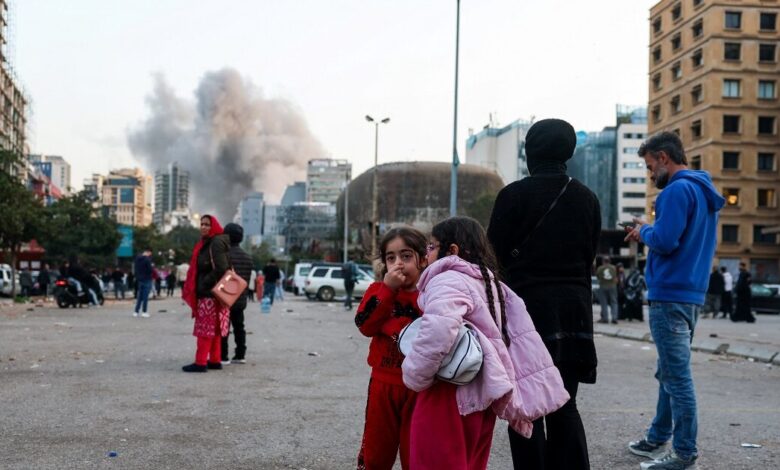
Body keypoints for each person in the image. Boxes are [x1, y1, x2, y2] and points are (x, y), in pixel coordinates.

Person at [402, 217, 569, 470]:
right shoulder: (490, 284)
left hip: (448, 393)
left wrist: (415, 375)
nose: (426, 254)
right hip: (482, 398)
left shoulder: (447, 278)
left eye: (431, 246)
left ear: (453, 250)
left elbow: (438, 329)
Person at [487, 118, 600, 470]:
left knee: (527, 405)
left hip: (526, 313)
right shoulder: (586, 198)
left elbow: (494, 258)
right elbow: (588, 258)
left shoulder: (513, 196)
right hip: (572, 313)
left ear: (530, 152)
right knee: (564, 402)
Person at [624, 131, 724, 469]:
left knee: (677, 377)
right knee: (667, 371)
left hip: (669, 296)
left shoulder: (676, 191)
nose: (652, 176)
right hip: (691, 295)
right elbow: (679, 237)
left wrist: (644, 232)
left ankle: (684, 453)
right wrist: (651, 226)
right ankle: (657, 435)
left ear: (664, 157)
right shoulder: (701, 190)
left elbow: (665, 241)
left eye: (651, 168)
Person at [354, 226, 427, 470]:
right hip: (383, 383)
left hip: (419, 388)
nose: (398, 264)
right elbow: (365, 326)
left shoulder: (432, 294)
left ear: (423, 258)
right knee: (377, 451)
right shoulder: (377, 291)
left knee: (415, 452)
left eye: (406, 256)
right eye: (391, 257)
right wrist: (387, 290)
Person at [181, 214, 231, 373]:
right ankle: (215, 360)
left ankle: (201, 362)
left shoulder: (215, 242)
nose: (203, 227)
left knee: (205, 329)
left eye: (207, 224)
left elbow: (221, 268)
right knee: (215, 329)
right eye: (202, 224)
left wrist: (205, 283)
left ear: (214, 226)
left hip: (210, 294)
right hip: (216, 294)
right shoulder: (210, 242)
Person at [220, 223, 253, 365]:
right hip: (240, 298)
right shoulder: (247, 257)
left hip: (225, 297)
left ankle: (223, 355)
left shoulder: (223, 256)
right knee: (239, 326)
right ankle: (240, 355)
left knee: (224, 327)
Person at [596, 256, 620, 324]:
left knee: (604, 303)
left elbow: (597, 277)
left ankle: (605, 319)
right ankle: (614, 318)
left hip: (603, 286)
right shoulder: (613, 267)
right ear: (609, 261)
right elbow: (616, 276)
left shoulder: (600, 268)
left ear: (603, 261)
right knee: (614, 302)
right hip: (612, 286)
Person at [133, 250, 153, 317]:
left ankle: (136, 311)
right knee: (145, 297)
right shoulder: (147, 260)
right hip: (147, 279)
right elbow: (150, 270)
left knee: (140, 297)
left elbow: (135, 269)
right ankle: (144, 311)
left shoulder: (137, 259)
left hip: (140, 279)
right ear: (148, 252)